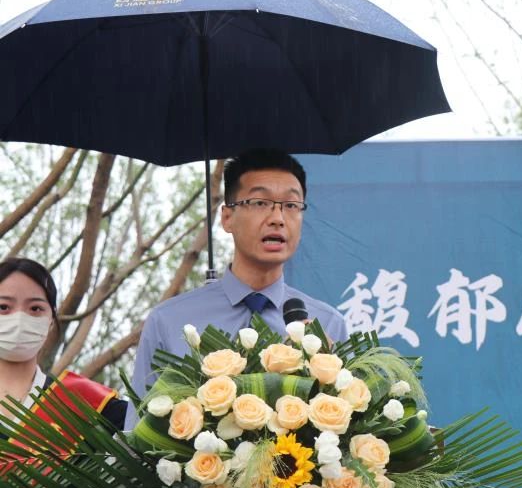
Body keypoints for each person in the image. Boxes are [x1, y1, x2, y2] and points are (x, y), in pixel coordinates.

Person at [128, 149, 347, 429]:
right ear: (227, 217)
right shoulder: (168, 321)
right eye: (260, 202)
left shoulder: (327, 325)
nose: (278, 218)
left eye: (291, 205)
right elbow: (136, 436)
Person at [0, 257, 127, 438]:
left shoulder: (84, 404)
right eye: (3, 306)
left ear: (51, 320)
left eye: (35, 308)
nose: (19, 319)